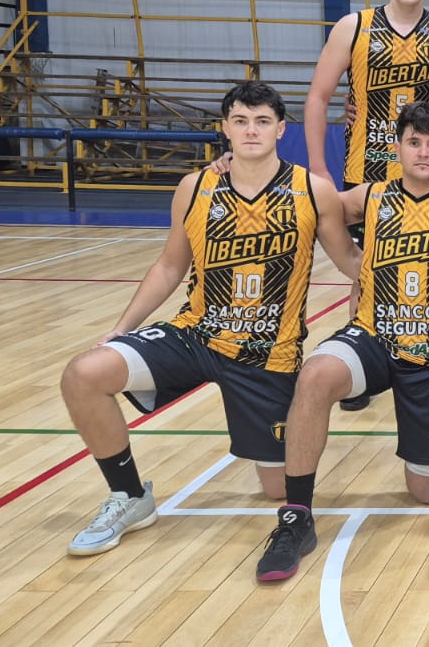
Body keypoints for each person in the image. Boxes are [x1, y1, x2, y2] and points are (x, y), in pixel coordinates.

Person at [60, 82, 360, 556]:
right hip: (195, 334)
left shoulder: (312, 190)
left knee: (277, 488)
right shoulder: (195, 187)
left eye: (262, 121)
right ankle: (130, 496)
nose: (251, 130)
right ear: (225, 128)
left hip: (269, 354)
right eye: (240, 121)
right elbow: (169, 266)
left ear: (281, 129)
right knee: (83, 374)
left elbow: (351, 262)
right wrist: (123, 327)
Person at [253, 102, 429, 581]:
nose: (423, 152)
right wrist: (242, 164)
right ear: (398, 147)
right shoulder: (369, 197)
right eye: (414, 142)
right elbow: (308, 200)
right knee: (316, 375)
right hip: (373, 334)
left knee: (425, 492)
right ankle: (296, 517)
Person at [304, 0, 429, 412]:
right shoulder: (353, 27)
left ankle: (424, 359)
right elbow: (318, 97)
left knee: (427, 266)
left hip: (422, 169)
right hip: (364, 166)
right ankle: (361, 361)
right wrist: (318, 167)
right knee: (366, 267)